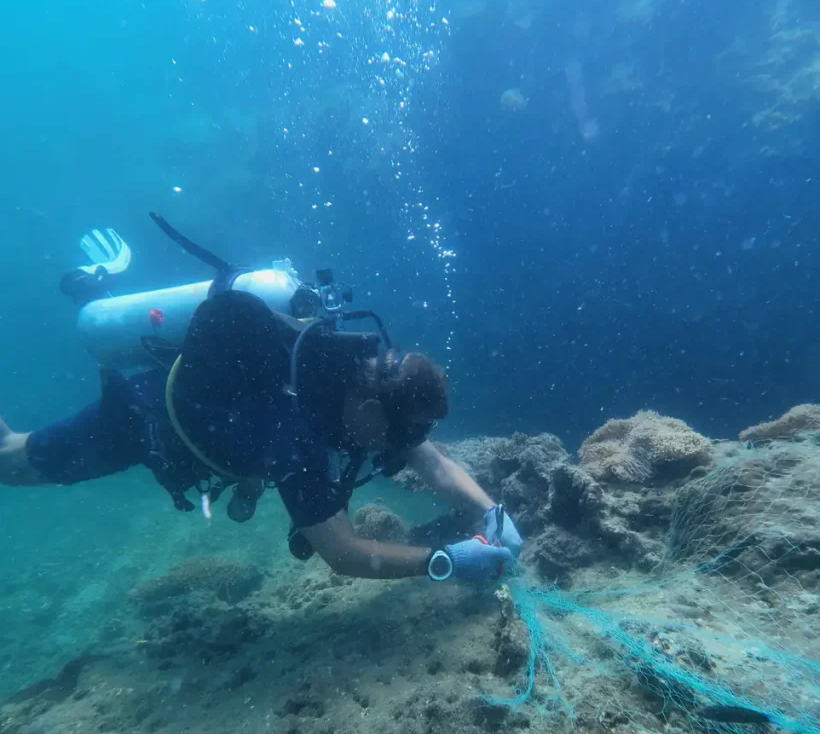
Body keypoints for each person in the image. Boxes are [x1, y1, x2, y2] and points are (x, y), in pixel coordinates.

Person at [1, 245, 523, 583]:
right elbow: (341, 552)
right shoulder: (293, 428)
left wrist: (490, 513)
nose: (392, 449)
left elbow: (434, 464)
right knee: (14, 462)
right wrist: (443, 562)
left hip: (201, 410)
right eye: (393, 436)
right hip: (142, 420)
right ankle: (92, 297)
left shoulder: (362, 378)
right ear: (369, 407)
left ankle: (97, 293)